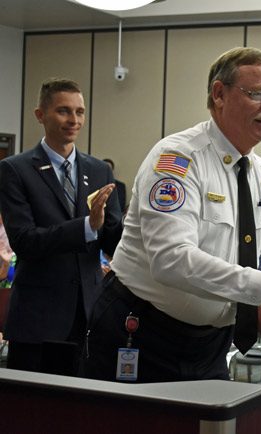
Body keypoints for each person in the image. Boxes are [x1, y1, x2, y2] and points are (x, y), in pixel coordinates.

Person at [83, 47, 261, 383]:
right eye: (257, 94)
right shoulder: (177, 160)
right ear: (219, 94)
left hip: (212, 343)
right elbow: (171, 260)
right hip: (143, 331)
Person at [0, 78, 122, 375]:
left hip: (90, 318)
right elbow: (25, 241)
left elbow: (113, 242)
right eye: (64, 111)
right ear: (40, 115)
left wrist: (140, 225)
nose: (74, 120)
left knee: (84, 414)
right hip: (38, 321)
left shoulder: (99, 170)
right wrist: (87, 226)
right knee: (35, 415)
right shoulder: (15, 169)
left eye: (80, 112)